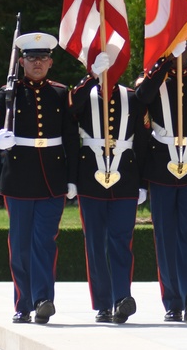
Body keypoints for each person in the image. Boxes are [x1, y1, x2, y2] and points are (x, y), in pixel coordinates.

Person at [0, 31, 79, 325]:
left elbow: (70, 138)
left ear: (51, 62)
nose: (37, 63)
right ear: (22, 62)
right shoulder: (7, 93)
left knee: (45, 242)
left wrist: (72, 178)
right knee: (20, 244)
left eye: (42, 58)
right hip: (18, 177)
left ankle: (43, 300)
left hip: (52, 177)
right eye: (31, 58)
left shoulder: (60, 92)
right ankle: (22, 303)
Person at [136, 39, 187, 323]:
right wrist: (164, 65)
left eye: (184, 47)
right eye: (175, 48)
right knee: (166, 236)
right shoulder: (153, 80)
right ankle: (172, 300)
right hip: (161, 166)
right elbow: (142, 97)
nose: (181, 53)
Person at [70, 52, 148, 324]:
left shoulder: (132, 96)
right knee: (95, 242)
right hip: (90, 176)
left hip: (124, 176)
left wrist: (142, 182)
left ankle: (121, 297)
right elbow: (69, 111)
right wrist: (90, 77)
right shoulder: (84, 93)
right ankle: (103, 303)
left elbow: (141, 141)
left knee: (121, 241)